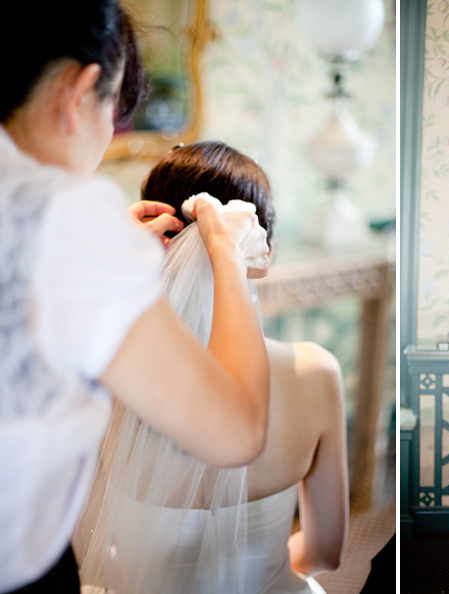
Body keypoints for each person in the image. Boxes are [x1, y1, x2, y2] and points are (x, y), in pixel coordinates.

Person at [0, 4, 272, 591]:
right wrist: (225, 250)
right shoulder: (65, 216)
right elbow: (238, 431)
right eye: (116, 115)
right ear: (82, 90)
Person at [74, 142, 349, 594]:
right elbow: (325, 552)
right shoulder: (317, 372)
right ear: (262, 251)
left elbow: (86, 547)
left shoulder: (106, 371)